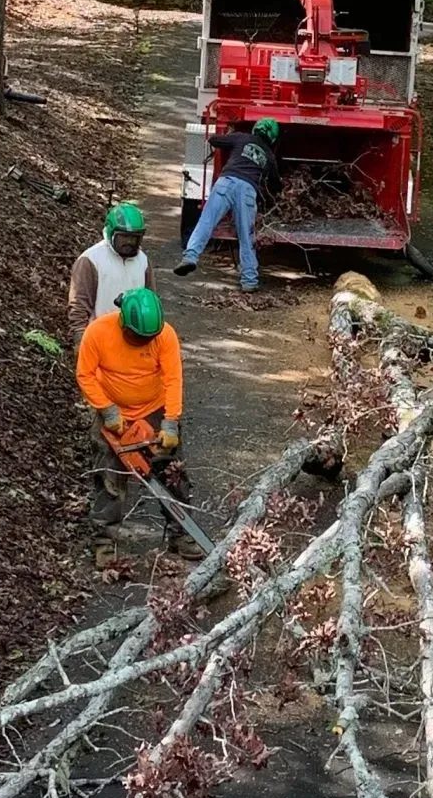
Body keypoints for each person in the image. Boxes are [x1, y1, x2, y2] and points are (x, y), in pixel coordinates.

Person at [75, 286, 188, 567]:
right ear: (123, 322)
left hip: (154, 407)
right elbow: (85, 375)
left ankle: (180, 533)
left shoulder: (165, 335)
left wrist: (171, 422)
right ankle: (104, 541)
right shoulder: (99, 332)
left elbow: (173, 378)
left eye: (147, 337)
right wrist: (107, 409)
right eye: (137, 336)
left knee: (172, 472)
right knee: (109, 475)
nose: (142, 341)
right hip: (112, 409)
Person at [174, 117, 281, 293]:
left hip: (225, 182)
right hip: (247, 191)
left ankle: (191, 256)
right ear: (273, 137)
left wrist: (230, 134)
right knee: (246, 236)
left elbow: (214, 140)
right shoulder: (269, 155)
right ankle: (249, 281)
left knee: (206, 221)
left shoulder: (242, 138)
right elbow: (275, 184)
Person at [68, 201, 150, 344]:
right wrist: (79, 337)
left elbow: (150, 299)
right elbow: (79, 304)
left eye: (134, 238)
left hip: (135, 340)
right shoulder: (91, 260)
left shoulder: (143, 261)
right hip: (99, 340)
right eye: (123, 237)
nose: (129, 242)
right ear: (111, 234)